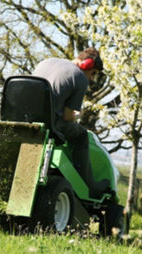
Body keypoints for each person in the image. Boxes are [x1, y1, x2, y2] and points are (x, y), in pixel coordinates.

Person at [33, 48, 109, 198]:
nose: (91, 78)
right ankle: (89, 185)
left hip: (25, 117)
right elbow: (68, 118)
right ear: (86, 65)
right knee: (81, 135)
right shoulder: (79, 77)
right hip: (49, 124)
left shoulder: (46, 62)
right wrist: (75, 116)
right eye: (93, 73)